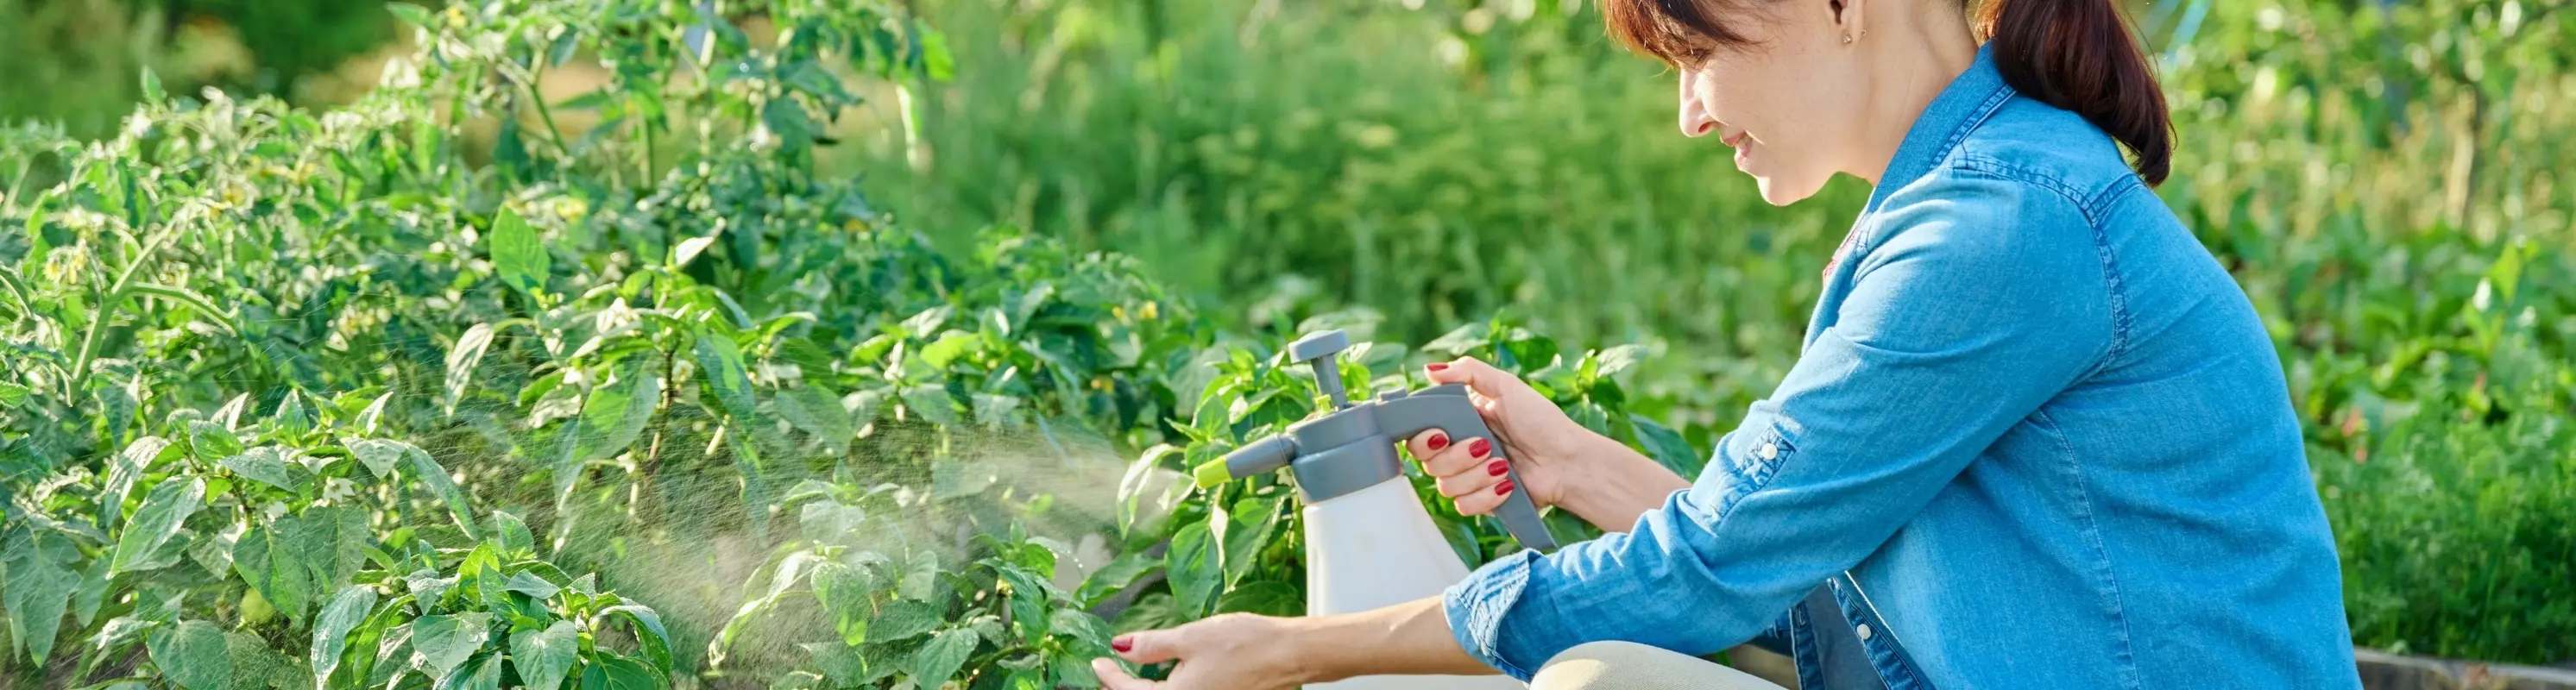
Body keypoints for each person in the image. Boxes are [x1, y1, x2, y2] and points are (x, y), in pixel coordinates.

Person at [1092, 0, 2365, 687]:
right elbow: (1790, 565)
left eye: (1698, 53)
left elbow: (1713, 570)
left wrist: (1296, 653)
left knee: (1601, 687)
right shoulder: (1979, 194)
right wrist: (1582, 469)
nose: (1693, 112)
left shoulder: (1998, 235)